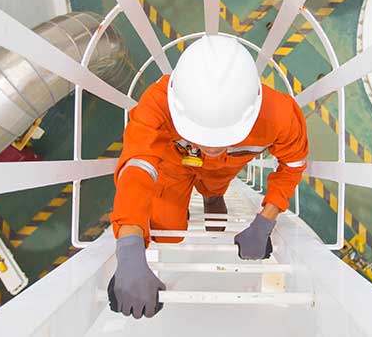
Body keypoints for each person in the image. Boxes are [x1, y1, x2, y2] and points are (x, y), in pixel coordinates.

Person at [106, 35, 309, 319]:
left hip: (222, 174)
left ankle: (212, 197)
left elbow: (293, 164)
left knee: (214, 187)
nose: (211, 149)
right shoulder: (157, 102)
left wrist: (266, 219)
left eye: (224, 138)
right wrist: (129, 245)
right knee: (167, 230)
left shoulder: (280, 115)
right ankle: (201, 199)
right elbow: (137, 167)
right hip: (173, 168)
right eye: (201, 136)